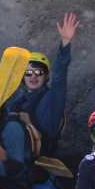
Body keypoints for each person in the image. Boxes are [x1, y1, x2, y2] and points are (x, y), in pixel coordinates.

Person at [6, 12, 79, 158]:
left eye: (38, 73)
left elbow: (59, 76)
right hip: (14, 155)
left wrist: (65, 43)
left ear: (46, 77)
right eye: (28, 73)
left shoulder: (53, 98)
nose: (33, 76)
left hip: (39, 157)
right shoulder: (18, 99)